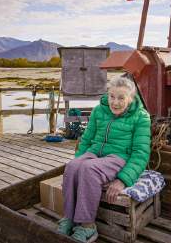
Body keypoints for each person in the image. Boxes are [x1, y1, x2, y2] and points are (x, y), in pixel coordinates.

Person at [58, 76, 151, 243]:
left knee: (89, 169)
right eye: (112, 96)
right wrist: (78, 161)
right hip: (95, 152)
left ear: (131, 99)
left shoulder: (141, 117)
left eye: (121, 98)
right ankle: (70, 218)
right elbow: (86, 139)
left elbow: (141, 153)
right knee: (72, 166)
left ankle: (87, 226)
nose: (115, 102)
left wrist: (123, 180)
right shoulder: (99, 110)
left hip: (119, 157)